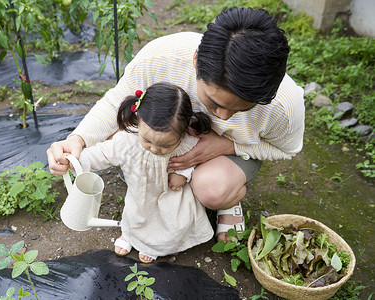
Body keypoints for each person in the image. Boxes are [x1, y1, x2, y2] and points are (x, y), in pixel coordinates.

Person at [47, 7, 305, 243]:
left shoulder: (283, 106)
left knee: (211, 190)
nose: (224, 117)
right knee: (122, 134)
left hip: (232, 151)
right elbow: (117, 100)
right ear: (196, 61)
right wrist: (78, 139)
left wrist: (227, 145)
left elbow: (286, 150)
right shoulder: (161, 58)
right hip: (176, 136)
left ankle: (227, 200)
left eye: (241, 108)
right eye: (213, 102)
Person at [76, 82, 214, 263]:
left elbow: (197, 159)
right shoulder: (127, 141)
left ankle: (157, 245)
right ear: (138, 122)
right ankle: (130, 235)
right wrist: (77, 160)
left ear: (183, 131)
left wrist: (183, 174)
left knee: (171, 222)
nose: (155, 149)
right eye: (147, 140)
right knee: (136, 216)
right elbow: (102, 153)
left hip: (170, 196)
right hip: (141, 194)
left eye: (166, 145)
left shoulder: (187, 143)